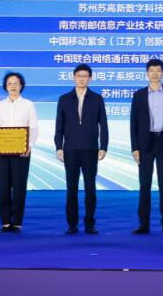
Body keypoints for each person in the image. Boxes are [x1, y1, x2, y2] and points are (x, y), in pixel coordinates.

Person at [55, 64, 108, 234]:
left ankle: (90, 224)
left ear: (90, 78)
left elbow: (103, 124)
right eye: (79, 75)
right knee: (71, 188)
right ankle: (72, 224)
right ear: (73, 77)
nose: (82, 78)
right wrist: (58, 146)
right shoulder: (64, 99)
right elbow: (59, 125)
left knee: (90, 187)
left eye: (85, 76)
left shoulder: (97, 99)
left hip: (90, 149)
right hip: (70, 149)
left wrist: (103, 146)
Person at [130, 58, 163, 235]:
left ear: (162, 73)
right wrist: (134, 147)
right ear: (147, 73)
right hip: (145, 144)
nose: (155, 74)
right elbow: (133, 123)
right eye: (151, 70)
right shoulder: (139, 95)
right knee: (144, 185)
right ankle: (143, 224)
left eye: (158, 70)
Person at [0, 72, 38, 233]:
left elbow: (33, 127)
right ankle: (5, 222)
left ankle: (17, 222)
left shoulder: (29, 105)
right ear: (5, 86)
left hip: (22, 151)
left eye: (16, 83)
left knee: (19, 186)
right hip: (2, 151)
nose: (13, 86)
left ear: (21, 85)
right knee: (3, 186)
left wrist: (29, 146)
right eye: (10, 83)